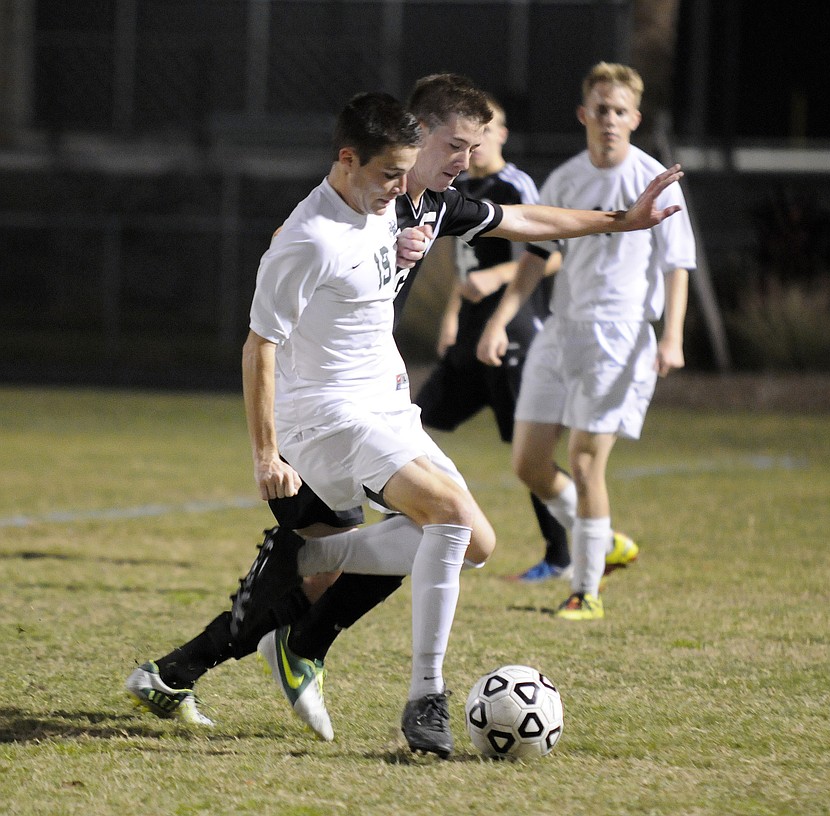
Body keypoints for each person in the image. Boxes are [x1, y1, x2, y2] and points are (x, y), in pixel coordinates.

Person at [126, 74, 684, 756]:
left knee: (472, 545)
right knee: (441, 515)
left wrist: (622, 221)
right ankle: (425, 698)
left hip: (382, 406)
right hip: (323, 416)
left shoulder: (418, 203)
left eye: (473, 147)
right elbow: (259, 347)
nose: (465, 159)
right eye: (455, 144)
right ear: (396, 145)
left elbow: (527, 222)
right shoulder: (311, 234)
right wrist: (266, 454)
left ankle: (197, 655)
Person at [477, 62, 695, 621]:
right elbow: (537, 254)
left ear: (634, 118)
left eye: (620, 111)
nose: (610, 119)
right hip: (562, 330)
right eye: (601, 109)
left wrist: (671, 339)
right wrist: (502, 318)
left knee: (584, 460)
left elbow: (676, 264)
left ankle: (587, 591)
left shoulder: (652, 179)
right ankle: (604, 540)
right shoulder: (567, 178)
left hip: (620, 337)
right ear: (584, 115)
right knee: (528, 464)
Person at [413, 92, 573, 582]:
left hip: (513, 329)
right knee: (417, 419)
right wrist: (453, 314)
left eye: (484, 133)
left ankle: (564, 552)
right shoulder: (461, 187)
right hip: (474, 332)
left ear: (500, 135)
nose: (474, 145)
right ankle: (421, 520)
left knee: (529, 454)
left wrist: (496, 297)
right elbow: (467, 271)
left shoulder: (513, 183)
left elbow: (551, 252)